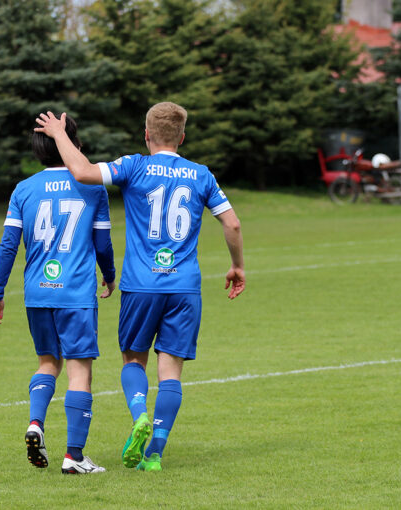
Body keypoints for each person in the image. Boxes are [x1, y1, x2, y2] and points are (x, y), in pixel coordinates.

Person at [35, 102, 245, 472]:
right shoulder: (201, 175)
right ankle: (155, 454)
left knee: (134, 359)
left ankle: (139, 416)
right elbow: (233, 224)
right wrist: (237, 265)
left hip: (140, 285)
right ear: (182, 137)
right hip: (184, 288)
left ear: (146, 134)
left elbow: (82, 171)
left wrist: (59, 134)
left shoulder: (133, 166)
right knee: (171, 371)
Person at [0, 114, 116, 474]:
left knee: (48, 363)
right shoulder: (92, 186)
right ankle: (74, 457)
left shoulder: (24, 189)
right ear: (73, 143)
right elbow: (102, 244)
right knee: (80, 371)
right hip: (75, 292)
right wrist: (109, 276)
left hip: (37, 292)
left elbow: (8, 245)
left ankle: (35, 423)